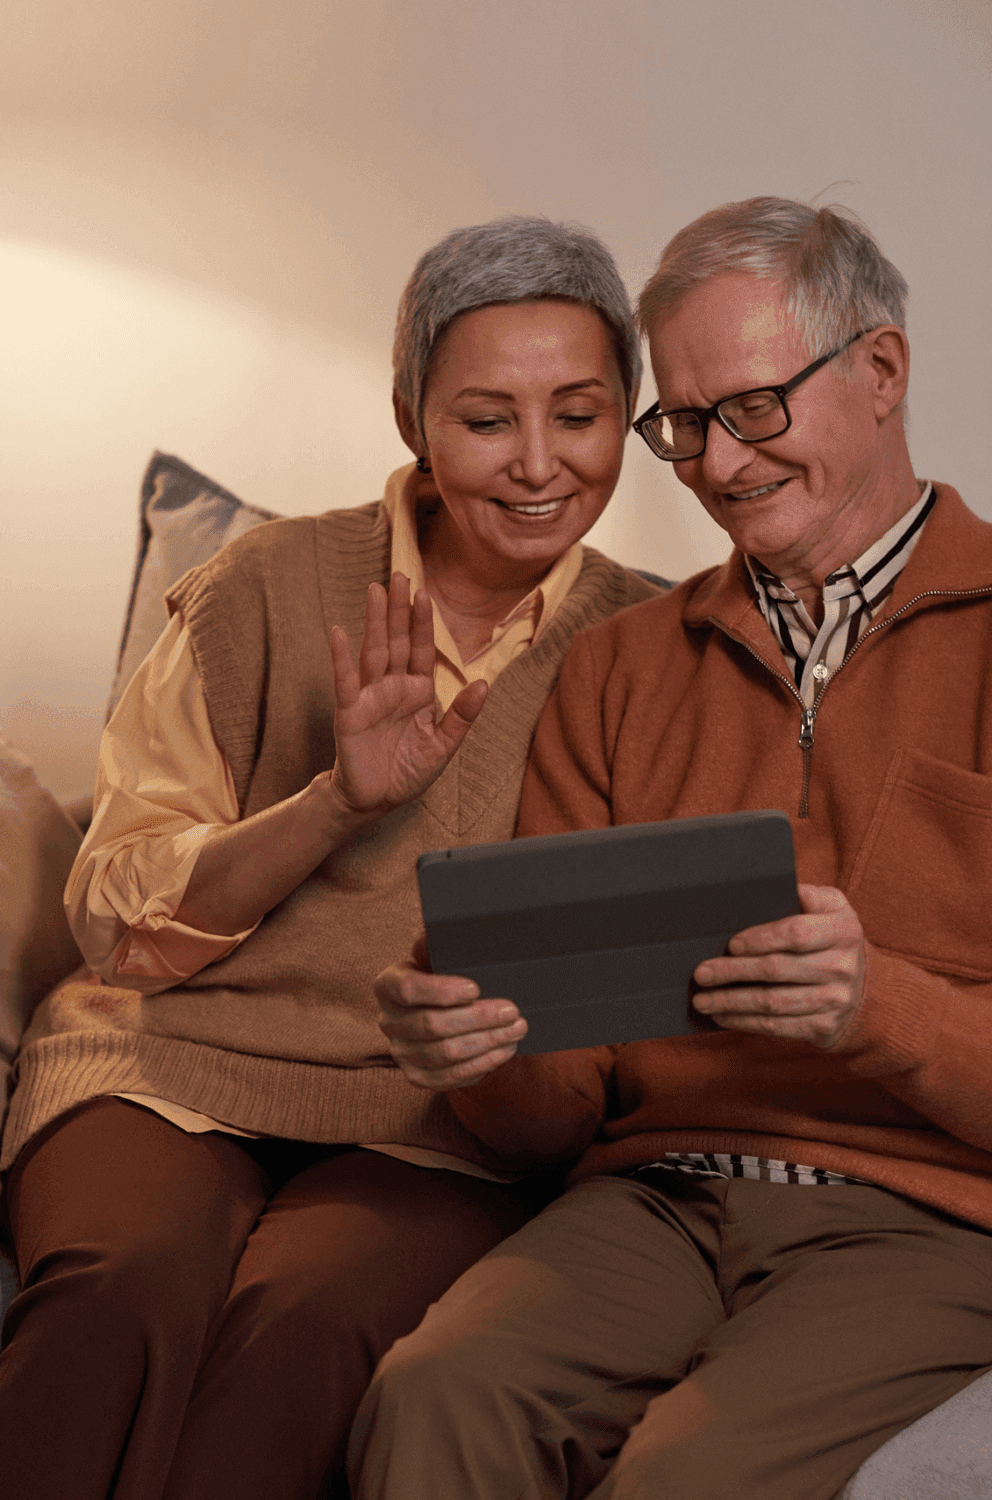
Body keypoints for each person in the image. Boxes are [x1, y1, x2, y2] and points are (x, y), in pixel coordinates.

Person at [0, 216, 662, 1500]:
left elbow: (610, 1000)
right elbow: (118, 922)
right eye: (486, 419)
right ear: (412, 414)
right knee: (125, 1287)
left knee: (306, 1327)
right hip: (164, 1064)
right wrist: (333, 806)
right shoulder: (261, 586)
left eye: (578, 416)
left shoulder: (643, 650)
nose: (538, 465)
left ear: (625, 413)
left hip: (433, 1127)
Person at [351, 197, 992, 1500]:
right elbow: (549, 1115)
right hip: (651, 1197)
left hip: (926, 1219)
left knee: (687, 1478)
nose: (717, 463)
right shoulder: (619, 667)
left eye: (753, 408)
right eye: (684, 426)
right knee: (433, 1398)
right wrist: (485, 1046)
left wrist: (885, 1008)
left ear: (882, 372)